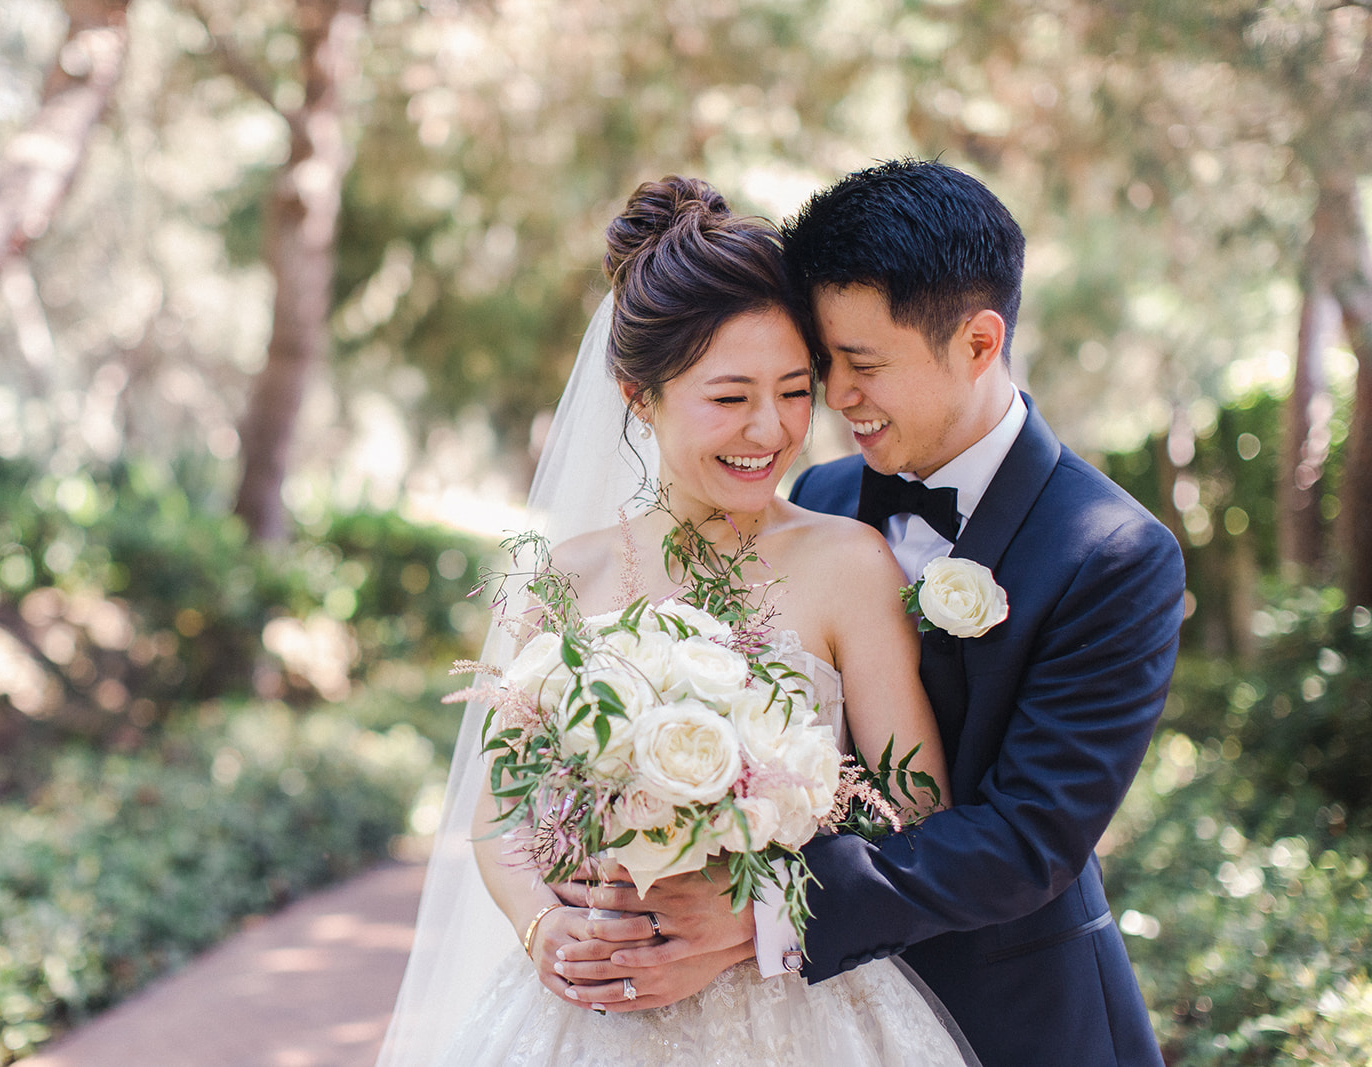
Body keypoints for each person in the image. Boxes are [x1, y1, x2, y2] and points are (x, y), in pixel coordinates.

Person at [559, 160, 1186, 1067]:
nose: (834, 400)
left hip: (1013, 1011)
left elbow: (1028, 837)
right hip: (791, 1014)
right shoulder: (819, 494)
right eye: (827, 365)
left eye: (861, 366)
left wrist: (752, 910)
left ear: (977, 344)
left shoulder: (1112, 553)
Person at [376, 175, 979, 1066]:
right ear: (636, 393)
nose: (769, 430)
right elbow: (499, 816)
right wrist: (545, 928)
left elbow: (917, 809)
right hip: (591, 1014)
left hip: (798, 1008)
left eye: (793, 390)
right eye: (730, 396)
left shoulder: (849, 564)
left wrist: (744, 919)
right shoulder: (559, 578)